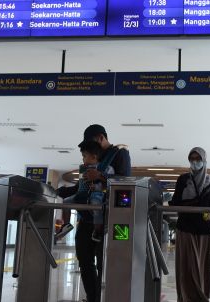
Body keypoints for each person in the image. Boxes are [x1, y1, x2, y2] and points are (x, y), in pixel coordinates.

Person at [56, 124, 131, 302]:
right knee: (84, 259)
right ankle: (93, 297)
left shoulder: (119, 154)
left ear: (100, 138)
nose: (89, 150)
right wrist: (59, 192)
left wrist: (100, 176)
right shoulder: (90, 161)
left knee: (104, 263)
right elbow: (80, 187)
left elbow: (124, 180)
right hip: (86, 217)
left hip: (108, 219)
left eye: (91, 143)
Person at [169, 147, 210, 302]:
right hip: (186, 227)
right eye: (192, 159)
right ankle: (187, 297)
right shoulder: (183, 179)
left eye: (198, 159)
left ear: (204, 160)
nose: (195, 162)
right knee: (187, 266)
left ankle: (201, 295)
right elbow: (176, 201)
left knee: (202, 266)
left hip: (205, 230)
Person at [60, 140, 113, 242]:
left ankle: (97, 230)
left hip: (96, 194)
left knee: (96, 206)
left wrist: (97, 187)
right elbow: (80, 183)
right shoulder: (83, 168)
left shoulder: (105, 168)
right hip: (81, 193)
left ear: (94, 157)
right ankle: (66, 224)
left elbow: (108, 184)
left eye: (84, 156)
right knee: (65, 202)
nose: (83, 159)